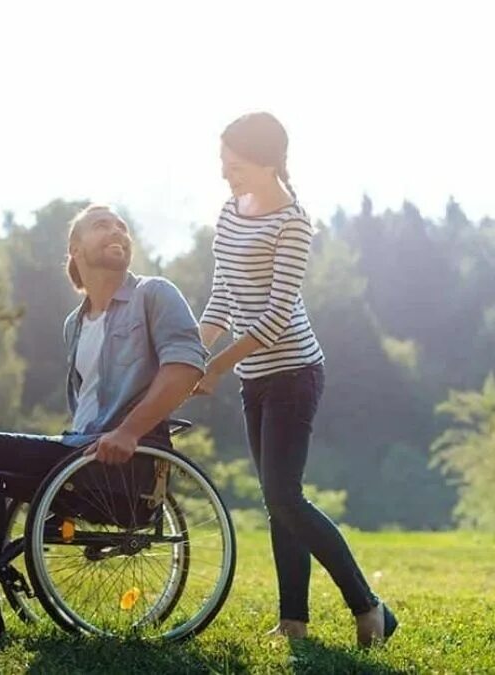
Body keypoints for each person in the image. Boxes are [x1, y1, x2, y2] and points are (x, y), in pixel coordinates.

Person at [0, 204, 207, 635]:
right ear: (75, 250)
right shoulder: (74, 325)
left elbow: (186, 368)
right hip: (80, 455)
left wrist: (129, 431)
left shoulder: (155, 294)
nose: (116, 231)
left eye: (121, 226)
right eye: (102, 225)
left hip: (125, 465)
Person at [196, 111, 398, 647]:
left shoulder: (293, 221)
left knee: (285, 496)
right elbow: (222, 293)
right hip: (254, 377)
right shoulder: (230, 210)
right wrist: (193, 352)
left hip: (294, 373)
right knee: (276, 500)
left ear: (267, 164)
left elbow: (275, 317)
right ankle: (294, 621)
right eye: (222, 162)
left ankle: (369, 606)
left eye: (234, 165)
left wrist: (216, 367)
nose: (225, 174)